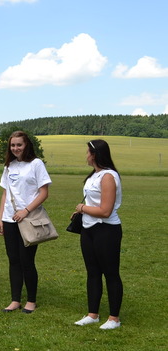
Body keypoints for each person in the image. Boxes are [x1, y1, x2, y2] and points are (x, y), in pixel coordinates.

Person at [0, 131, 51, 314]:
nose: (15, 148)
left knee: (27, 261)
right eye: (12, 145)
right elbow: (5, 193)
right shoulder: (9, 166)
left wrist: (26, 210)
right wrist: (0, 218)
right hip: (9, 219)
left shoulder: (36, 164)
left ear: (26, 145)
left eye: (19, 145)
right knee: (13, 260)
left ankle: (31, 301)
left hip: (29, 219)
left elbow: (44, 192)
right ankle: (15, 300)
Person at [73, 139, 123, 330]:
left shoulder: (108, 176)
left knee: (111, 273)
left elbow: (105, 211)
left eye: (88, 152)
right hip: (88, 229)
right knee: (92, 272)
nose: (86, 155)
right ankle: (92, 314)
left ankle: (114, 318)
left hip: (106, 230)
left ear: (94, 155)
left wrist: (82, 208)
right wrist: (81, 212)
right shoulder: (94, 175)